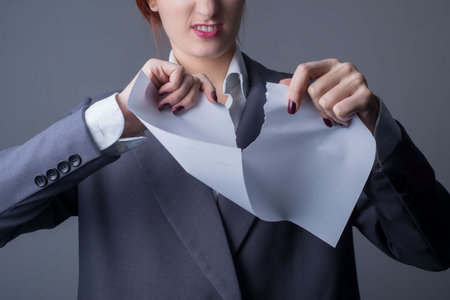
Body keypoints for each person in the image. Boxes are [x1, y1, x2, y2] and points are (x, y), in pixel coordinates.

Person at [1, 0, 449, 299]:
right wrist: (113, 120)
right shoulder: (102, 133)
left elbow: (434, 251)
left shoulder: (320, 109)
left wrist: (377, 130)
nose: (209, 6)